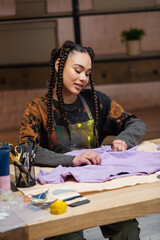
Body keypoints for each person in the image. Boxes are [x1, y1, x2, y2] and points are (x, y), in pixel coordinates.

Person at [18, 40, 146, 240]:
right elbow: (26, 150)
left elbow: (135, 123)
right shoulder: (37, 110)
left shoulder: (96, 102)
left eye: (87, 73)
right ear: (59, 66)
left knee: (126, 232)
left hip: (98, 186)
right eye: (78, 70)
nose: (83, 78)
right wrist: (71, 160)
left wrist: (123, 139)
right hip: (58, 192)